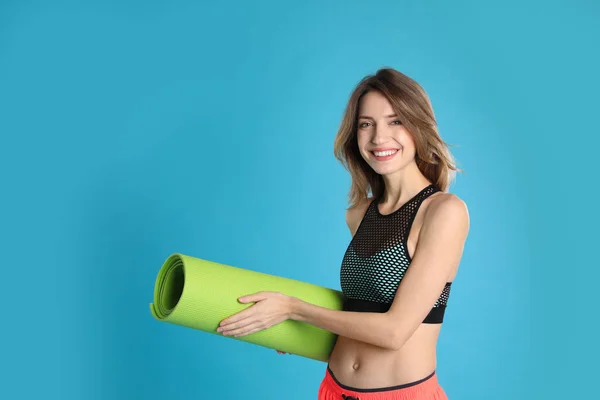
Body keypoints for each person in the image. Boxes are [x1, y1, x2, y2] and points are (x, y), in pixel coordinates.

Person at [216, 67, 470, 399]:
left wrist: (293, 309)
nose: (379, 138)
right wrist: (300, 330)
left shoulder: (443, 212)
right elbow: (362, 310)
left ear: (419, 128)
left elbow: (394, 332)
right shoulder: (359, 214)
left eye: (396, 121)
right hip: (333, 390)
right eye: (366, 124)